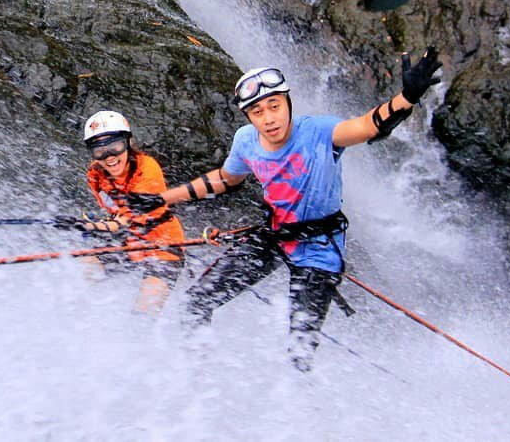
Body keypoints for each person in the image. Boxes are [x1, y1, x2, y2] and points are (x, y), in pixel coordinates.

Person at [125, 47, 443, 370]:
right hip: (273, 237)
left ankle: (297, 390)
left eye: (274, 106)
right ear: (248, 117)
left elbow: (369, 126)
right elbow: (225, 179)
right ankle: (198, 375)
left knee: (299, 353)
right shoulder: (246, 141)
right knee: (195, 303)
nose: (268, 118)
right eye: (257, 111)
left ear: (288, 102)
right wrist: (164, 199)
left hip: (319, 247)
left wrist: (406, 98)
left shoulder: (320, 132)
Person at [59, 110, 187, 314]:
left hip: (164, 245)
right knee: (81, 272)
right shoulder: (95, 174)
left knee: (144, 313)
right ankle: (73, 316)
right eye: (99, 150)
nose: (109, 157)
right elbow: (114, 212)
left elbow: (125, 219)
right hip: (128, 241)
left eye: (115, 146)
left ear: (128, 142)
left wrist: (87, 226)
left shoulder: (147, 170)